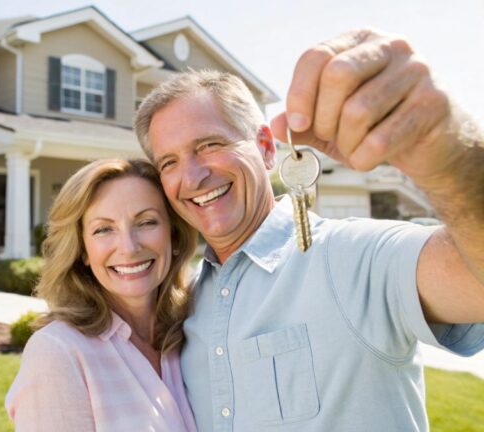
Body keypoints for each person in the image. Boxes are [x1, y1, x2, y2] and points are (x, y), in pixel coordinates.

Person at [134, 28, 484, 431]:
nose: (192, 177)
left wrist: (447, 157)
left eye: (209, 145)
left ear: (266, 147)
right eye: (169, 162)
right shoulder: (185, 303)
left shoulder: (354, 256)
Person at [5, 158, 199, 431]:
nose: (129, 247)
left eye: (146, 222)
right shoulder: (58, 353)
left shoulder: (194, 332)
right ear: (82, 249)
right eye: (103, 229)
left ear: (174, 236)